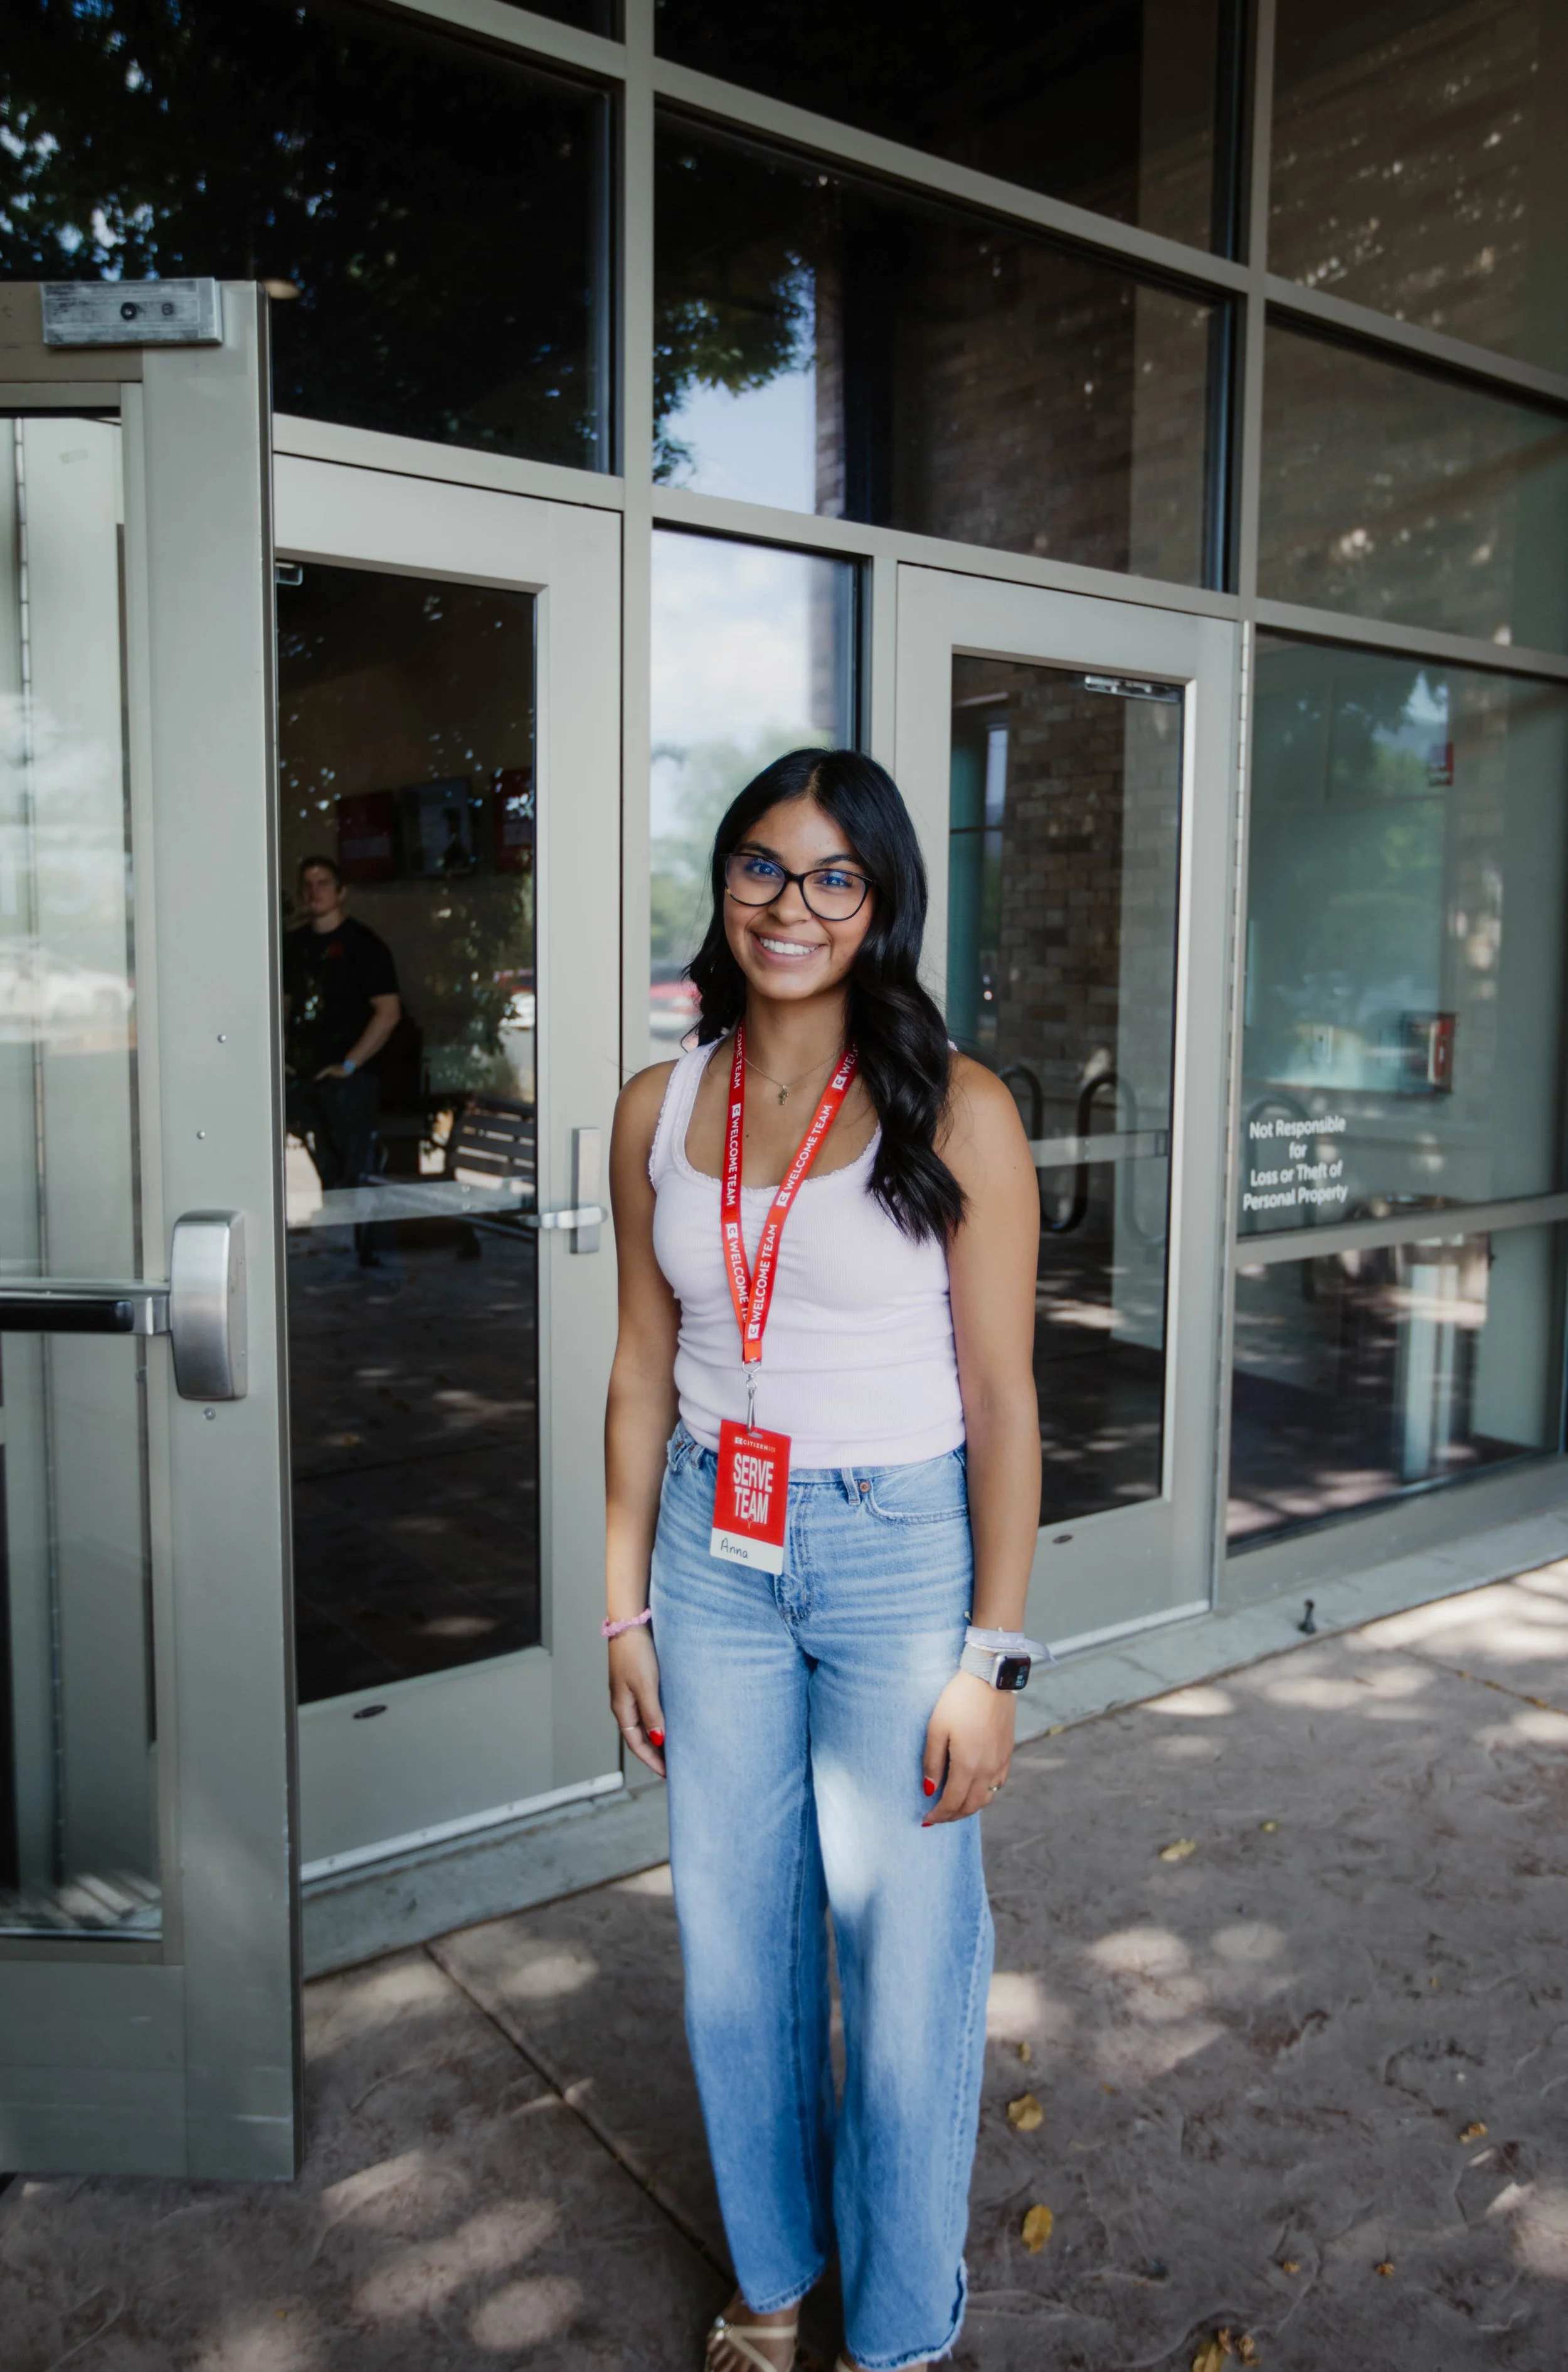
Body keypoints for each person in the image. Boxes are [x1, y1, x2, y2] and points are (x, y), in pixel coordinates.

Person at [603, 750, 1044, 2372]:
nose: (793, 904)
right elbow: (642, 1373)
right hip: (714, 1557)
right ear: (721, 886)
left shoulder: (958, 1105)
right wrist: (623, 1601)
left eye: (833, 875)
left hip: (895, 1550)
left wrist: (990, 1658)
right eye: (763, 868)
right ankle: (774, 2274)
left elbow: (1002, 1399)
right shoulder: (659, 1106)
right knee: (736, 1937)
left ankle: (904, 2323)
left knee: (908, 1953)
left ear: (879, 902)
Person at [282, 855, 401, 1201]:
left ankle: (363, 1249)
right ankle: (339, 1241)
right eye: (307, 884)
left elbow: (388, 1012)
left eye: (323, 884)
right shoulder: (294, 945)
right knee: (326, 1170)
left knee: (356, 1174)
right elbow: (284, 1008)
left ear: (341, 892)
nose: (313, 891)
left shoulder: (365, 945)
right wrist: (284, 1056)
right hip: (303, 1077)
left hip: (349, 1081)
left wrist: (349, 1065)